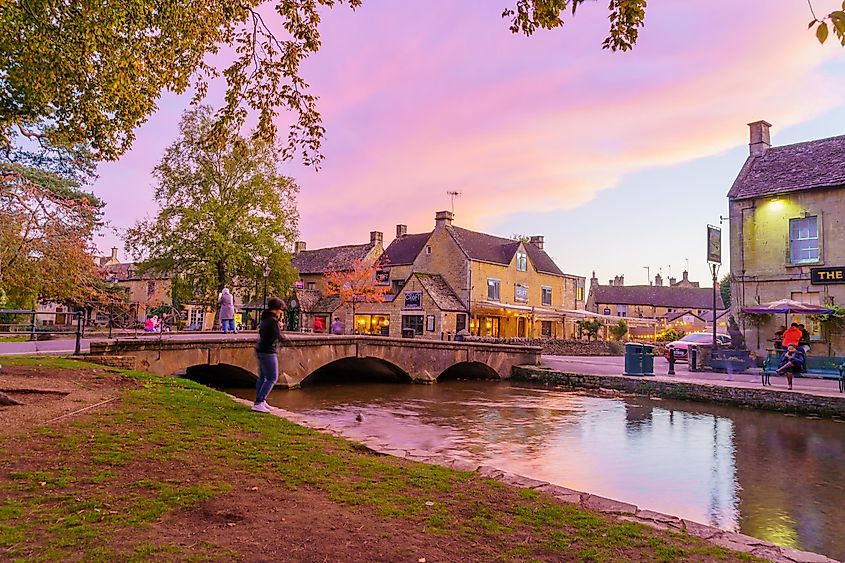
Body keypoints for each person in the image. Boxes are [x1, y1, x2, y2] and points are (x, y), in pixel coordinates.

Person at [253, 297, 285, 413]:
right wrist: (279, 328)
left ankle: (261, 400)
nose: (281, 312)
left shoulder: (265, 319)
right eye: (281, 310)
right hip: (268, 351)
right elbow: (277, 336)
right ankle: (259, 402)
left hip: (261, 349)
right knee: (272, 377)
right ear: (277, 309)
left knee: (262, 376)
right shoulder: (272, 321)